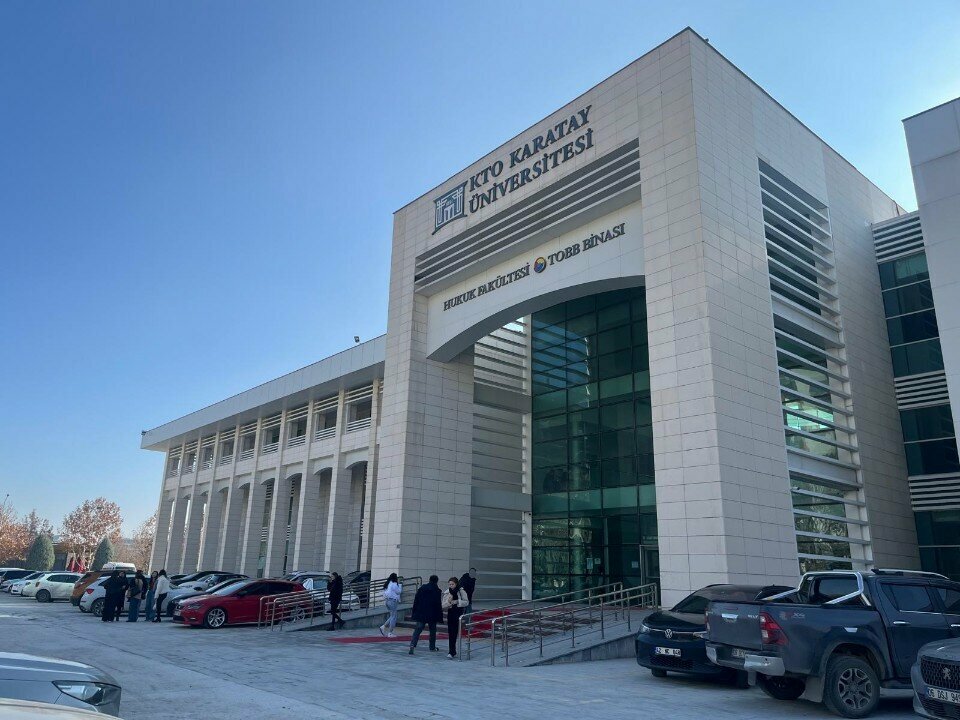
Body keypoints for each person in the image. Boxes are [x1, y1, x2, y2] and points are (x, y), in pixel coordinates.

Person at [408, 575, 442, 655]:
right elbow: (438, 604)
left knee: (418, 629)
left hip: (421, 612)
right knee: (432, 631)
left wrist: (414, 611)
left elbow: (416, 600)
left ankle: (412, 644)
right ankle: (432, 647)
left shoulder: (422, 588)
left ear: (429, 580)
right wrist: (439, 616)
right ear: (436, 581)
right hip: (432, 614)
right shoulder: (437, 590)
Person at [442, 576, 469, 659]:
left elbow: (466, 602)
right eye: (449, 584)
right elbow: (443, 605)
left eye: (452, 584)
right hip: (450, 613)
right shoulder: (447, 592)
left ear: (456, 584)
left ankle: (452, 651)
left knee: (455, 632)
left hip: (458, 613)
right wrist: (449, 602)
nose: (451, 586)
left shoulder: (461, 591)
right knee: (451, 633)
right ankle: (451, 651)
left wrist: (457, 602)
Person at [378, 573, 402, 638]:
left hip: (387, 601)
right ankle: (390, 632)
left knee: (392, 616)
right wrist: (400, 584)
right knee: (394, 617)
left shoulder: (388, 583)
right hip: (392, 601)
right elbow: (399, 592)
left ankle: (383, 627)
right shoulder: (394, 584)